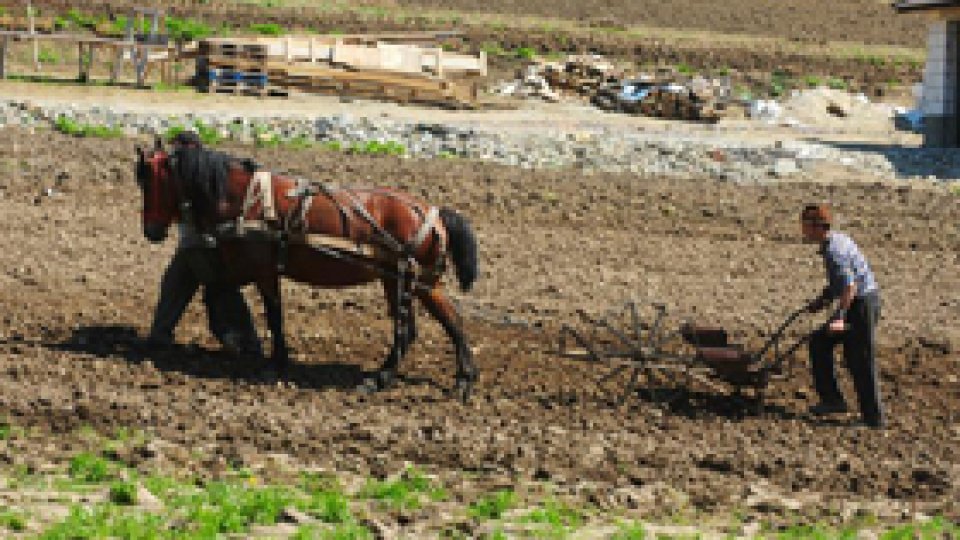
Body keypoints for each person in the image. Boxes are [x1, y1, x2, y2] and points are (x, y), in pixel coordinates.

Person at [146, 130, 261, 356]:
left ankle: (243, 342)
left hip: (202, 244)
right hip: (196, 243)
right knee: (176, 284)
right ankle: (160, 336)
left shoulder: (193, 170)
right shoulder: (206, 167)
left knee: (218, 289)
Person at [801, 203, 883, 428]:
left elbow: (850, 286)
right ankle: (832, 400)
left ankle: (874, 419)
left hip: (861, 305)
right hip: (858, 302)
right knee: (819, 342)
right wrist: (823, 299)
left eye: (805, 225)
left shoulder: (834, 251)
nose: (803, 230)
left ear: (817, 226)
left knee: (861, 360)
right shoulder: (836, 241)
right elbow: (840, 283)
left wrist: (840, 318)